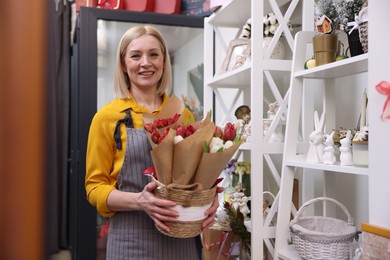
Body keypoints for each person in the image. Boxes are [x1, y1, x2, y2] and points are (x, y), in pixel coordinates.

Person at [85, 25, 221, 259]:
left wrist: (210, 199)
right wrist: (140, 201)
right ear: (123, 65)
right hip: (130, 241)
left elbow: (197, 177)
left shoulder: (183, 115)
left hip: (181, 240)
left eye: (154, 54)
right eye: (136, 55)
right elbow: (94, 189)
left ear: (164, 62)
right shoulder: (107, 118)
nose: (145, 62)